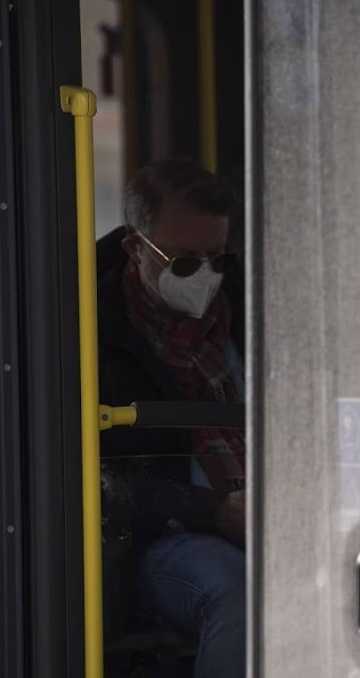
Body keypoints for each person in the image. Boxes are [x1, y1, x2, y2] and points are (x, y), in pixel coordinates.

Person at [97, 157, 245, 678]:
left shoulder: (250, 316)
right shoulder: (91, 333)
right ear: (136, 250)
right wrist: (212, 509)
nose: (205, 277)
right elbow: (91, 480)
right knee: (234, 588)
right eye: (184, 263)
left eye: (218, 259)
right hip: (154, 538)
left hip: (273, 515)